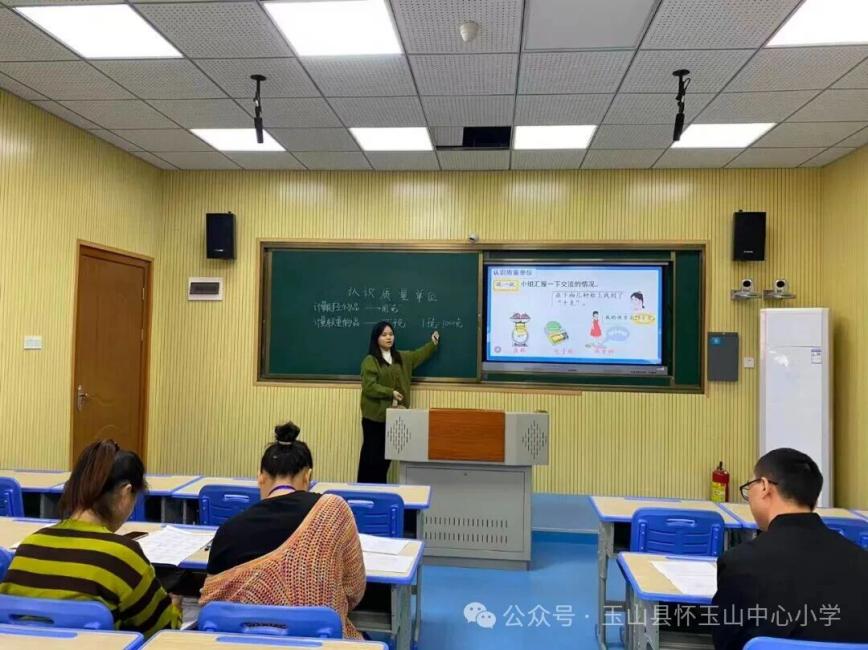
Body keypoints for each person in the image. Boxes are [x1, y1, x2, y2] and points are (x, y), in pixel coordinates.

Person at [0, 440, 181, 639]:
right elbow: (162, 632)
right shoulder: (123, 556)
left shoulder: (28, 547)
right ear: (125, 492)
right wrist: (176, 608)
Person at [201, 422, 366, 639]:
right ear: (307, 476)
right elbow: (354, 590)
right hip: (320, 640)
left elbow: (211, 605)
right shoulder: (334, 511)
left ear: (260, 477)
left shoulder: (227, 531)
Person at [712, 448, 868, 649]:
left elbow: (726, 642)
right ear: (814, 500)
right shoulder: (862, 561)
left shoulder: (739, 562)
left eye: (750, 486)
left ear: (764, 487)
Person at [358, 321, 440, 483]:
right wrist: (390, 393)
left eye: (391, 334)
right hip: (374, 419)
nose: (388, 338)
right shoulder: (370, 360)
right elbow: (369, 387)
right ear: (376, 338)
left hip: (394, 419)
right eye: (384, 335)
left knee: (384, 462)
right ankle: (364, 491)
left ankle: (380, 491)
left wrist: (433, 344)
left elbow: (420, 354)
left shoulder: (403, 358)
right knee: (370, 459)